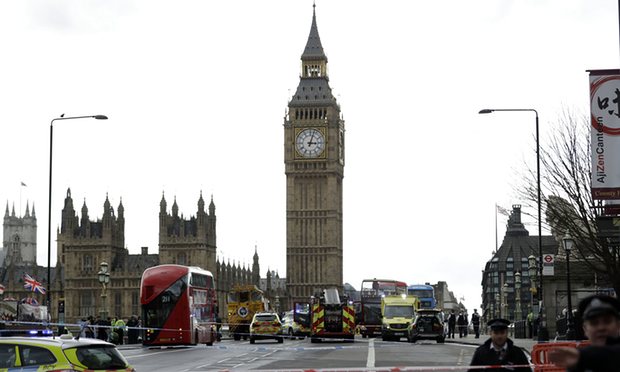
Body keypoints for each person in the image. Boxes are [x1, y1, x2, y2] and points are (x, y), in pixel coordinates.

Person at [549, 294, 620, 371]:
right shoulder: (577, 363)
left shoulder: (580, 358)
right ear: (585, 329)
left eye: (607, 321)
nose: (601, 328)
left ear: (618, 325)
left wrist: (582, 356)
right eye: (594, 323)